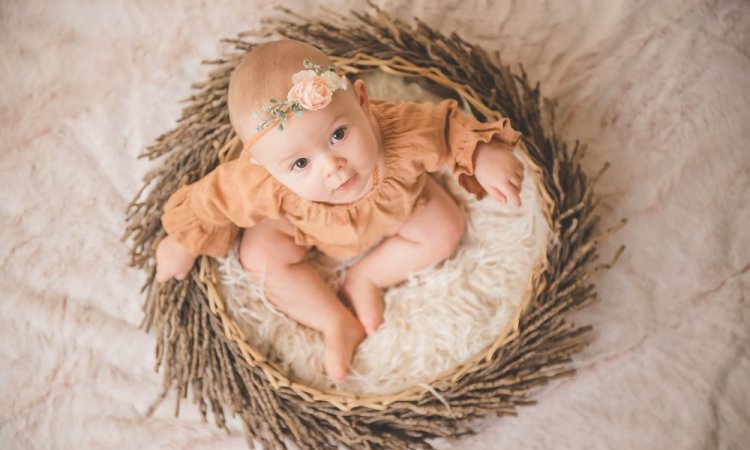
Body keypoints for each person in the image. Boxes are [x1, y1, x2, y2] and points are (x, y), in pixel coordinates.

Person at [155, 39, 525, 382]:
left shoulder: (401, 132)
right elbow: (214, 198)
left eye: (337, 135)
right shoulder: (260, 182)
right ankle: (334, 321)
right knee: (258, 255)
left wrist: (481, 153)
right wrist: (185, 239)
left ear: (363, 102)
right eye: (300, 164)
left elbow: (447, 126)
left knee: (446, 226)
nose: (331, 166)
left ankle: (366, 278)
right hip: (304, 228)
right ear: (263, 166)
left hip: (402, 207)